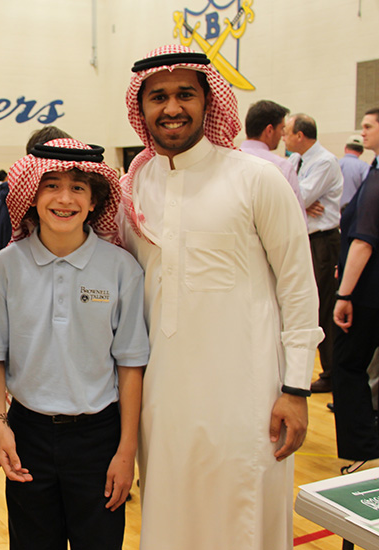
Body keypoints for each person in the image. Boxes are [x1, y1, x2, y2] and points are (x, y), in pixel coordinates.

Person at [119, 45, 322, 550]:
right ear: (140, 109)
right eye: (158, 97)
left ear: (209, 101)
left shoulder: (257, 179)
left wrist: (296, 389)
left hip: (250, 396)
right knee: (170, 518)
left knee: (244, 517)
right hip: (163, 400)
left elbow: (298, 288)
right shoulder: (133, 187)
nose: (171, 107)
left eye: (185, 93)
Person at [0, 138, 149, 550]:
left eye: (78, 187)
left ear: (94, 202)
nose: (64, 198)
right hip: (28, 435)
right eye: (51, 185)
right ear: (31, 196)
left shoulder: (122, 268)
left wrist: (127, 451)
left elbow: (130, 365)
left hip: (99, 438)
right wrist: (1, 432)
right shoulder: (5, 266)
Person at [331, 108, 379, 474]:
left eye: (368, 126)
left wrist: (344, 294)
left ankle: (361, 451)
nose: (361, 132)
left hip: (366, 294)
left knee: (346, 366)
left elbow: (364, 241)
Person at [283, 112, 344, 394]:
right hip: (306, 238)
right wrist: (300, 203)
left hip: (324, 241)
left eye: (287, 131)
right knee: (306, 303)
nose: (283, 136)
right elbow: (289, 195)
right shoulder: (295, 160)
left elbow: (299, 196)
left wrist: (300, 202)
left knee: (322, 306)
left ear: (300, 135)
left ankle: (331, 373)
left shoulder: (324, 161)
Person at [239, 99, 306, 225]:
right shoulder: (282, 167)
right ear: (269, 130)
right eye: (282, 129)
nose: (282, 135)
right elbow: (298, 221)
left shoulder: (225, 161)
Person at [339, 134, 371, 210]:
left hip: (332, 212)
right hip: (353, 210)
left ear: (345, 148)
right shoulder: (364, 167)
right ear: (362, 151)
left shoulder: (334, 163)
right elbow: (367, 191)